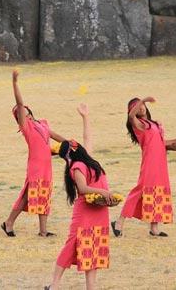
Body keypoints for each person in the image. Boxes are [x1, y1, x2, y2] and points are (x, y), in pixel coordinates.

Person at [45, 104, 115, 290]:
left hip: (100, 211)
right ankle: (54, 285)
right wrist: (104, 193)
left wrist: (85, 117)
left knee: (93, 247)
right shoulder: (77, 167)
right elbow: (83, 189)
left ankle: (91, 286)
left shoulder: (88, 161)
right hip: (85, 212)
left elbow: (88, 137)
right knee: (72, 245)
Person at [111, 97, 176, 237]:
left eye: (142, 105)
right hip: (150, 161)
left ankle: (154, 227)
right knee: (141, 190)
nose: (141, 107)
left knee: (157, 190)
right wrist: (144, 99)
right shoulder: (139, 124)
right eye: (137, 106)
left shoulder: (154, 124)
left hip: (160, 161)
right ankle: (119, 222)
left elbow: (160, 142)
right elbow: (130, 115)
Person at [1, 70, 65, 237]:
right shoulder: (26, 127)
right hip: (36, 166)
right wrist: (15, 83)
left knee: (45, 195)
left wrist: (71, 145)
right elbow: (20, 103)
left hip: (46, 166)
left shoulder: (41, 124)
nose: (22, 112)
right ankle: (9, 222)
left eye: (24, 110)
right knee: (28, 196)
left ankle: (43, 231)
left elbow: (56, 136)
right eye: (19, 113)